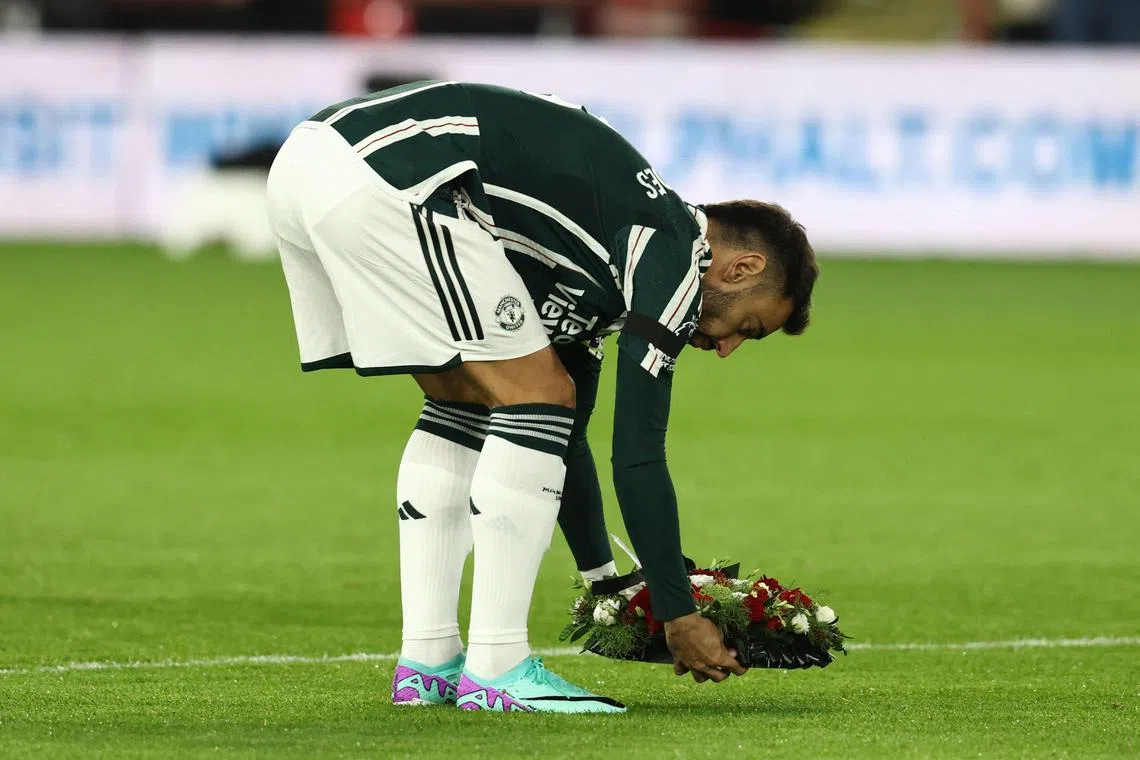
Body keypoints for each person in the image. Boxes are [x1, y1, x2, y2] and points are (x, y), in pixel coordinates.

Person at [267, 81, 818, 713]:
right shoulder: (670, 245)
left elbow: (565, 435)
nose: (725, 349)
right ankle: (497, 667)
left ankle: (428, 661)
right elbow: (637, 454)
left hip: (311, 164)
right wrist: (677, 611)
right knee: (533, 396)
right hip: (387, 173)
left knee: (472, 403)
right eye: (746, 327)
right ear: (740, 269)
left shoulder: (597, 252)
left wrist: (607, 583)